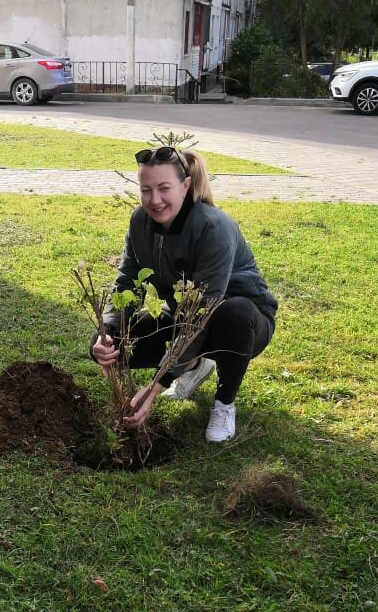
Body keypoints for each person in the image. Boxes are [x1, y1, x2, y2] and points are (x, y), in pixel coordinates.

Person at [90, 145, 278, 443]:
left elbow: (203, 311)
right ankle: (193, 364)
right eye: (146, 190)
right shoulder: (140, 222)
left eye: (164, 188)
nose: (155, 200)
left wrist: (156, 384)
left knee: (233, 314)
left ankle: (224, 402)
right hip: (184, 319)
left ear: (185, 185)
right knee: (108, 343)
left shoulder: (213, 228)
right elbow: (127, 280)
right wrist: (107, 332)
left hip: (242, 324)